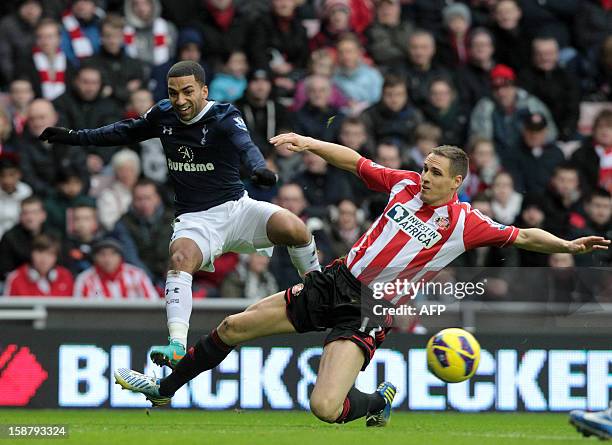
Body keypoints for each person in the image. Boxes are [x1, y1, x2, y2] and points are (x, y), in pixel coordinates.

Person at [115, 131, 609, 428]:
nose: (425, 176)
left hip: (369, 309)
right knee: (233, 327)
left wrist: (566, 245)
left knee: (325, 408)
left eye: (436, 173)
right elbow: (353, 161)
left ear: (456, 182)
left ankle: (376, 402)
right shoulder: (404, 186)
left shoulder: (466, 223)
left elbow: (523, 236)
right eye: (425, 167)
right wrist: (308, 143)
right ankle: (166, 387)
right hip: (334, 280)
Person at [38, 60, 320, 368]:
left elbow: (246, 146)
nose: (181, 100)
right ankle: (176, 345)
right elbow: (124, 132)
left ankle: (319, 291)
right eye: (173, 93)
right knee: (179, 259)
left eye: (187, 92)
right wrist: (74, 136)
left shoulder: (224, 116)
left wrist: (259, 169)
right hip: (196, 219)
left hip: (237, 209)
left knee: (295, 228)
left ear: (204, 90)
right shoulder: (163, 114)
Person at [74, 238, 157, 300]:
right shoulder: (84, 279)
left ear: (120, 257)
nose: (107, 259)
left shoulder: (137, 275)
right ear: (95, 258)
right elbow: (79, 311)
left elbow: (152, 302)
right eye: (102, 254)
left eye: (113, 254)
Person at [4, 233, 73, 297]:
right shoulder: (15, 278)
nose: (44, 259)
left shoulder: (66, 276)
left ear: (56, 257)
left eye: (50, 254)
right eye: (40, 252)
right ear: (31, 253)